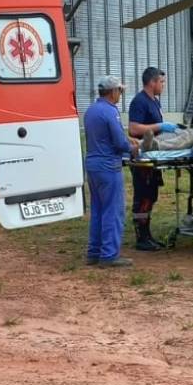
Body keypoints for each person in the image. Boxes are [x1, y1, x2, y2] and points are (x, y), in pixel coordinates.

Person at [84, 75, 139, 268]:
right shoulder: (110, 111)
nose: (121, 94)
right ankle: (109, 255)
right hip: (108, 166)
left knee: (98, 209)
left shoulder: (91, 110)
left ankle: (94, 252)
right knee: (113, 211)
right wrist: (133, 148)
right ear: (113, 91)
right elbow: (118, 142)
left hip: (92, 165)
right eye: (120, 91)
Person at [126, 66, 179, 251]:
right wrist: (159, 125)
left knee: (151, 195)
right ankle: (141, 237)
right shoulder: (140, 102)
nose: (163, 85)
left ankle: (147, 234)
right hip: (142, 158)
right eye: (161, 82)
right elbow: (133, 129)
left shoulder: (154, 101)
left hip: (153, 157)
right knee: (143, 195)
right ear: (152, 82)